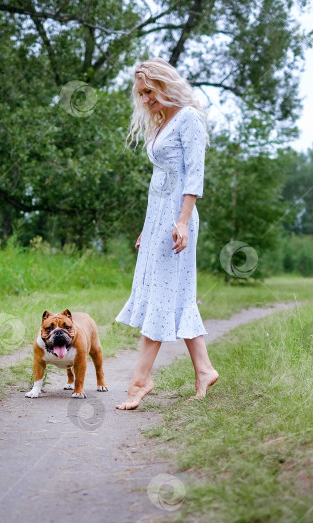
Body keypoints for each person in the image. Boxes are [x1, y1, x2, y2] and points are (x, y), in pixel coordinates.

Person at [114, 57, 219, 410]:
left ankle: (140, 381)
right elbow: (157, 183)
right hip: (159, 219)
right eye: (140, 94)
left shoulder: (188, 118)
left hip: (178, 218)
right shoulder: (163, 123)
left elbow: (194, 176)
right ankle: (204, 370)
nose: (145, 99)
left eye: (149, 91)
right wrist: (148, 227)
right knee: (176, 295)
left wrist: (182, 221)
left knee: (161, 295)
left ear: (165, 84)